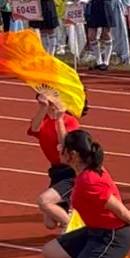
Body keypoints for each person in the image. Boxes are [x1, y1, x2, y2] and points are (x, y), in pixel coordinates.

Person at [39, 131, 130, 258]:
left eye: (62, 148)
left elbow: (116, 206)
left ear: (73, 155)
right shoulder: (83, 173)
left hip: (111, 237)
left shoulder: (89, 180)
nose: (59, 150)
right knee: (51, 252)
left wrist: (129, 217)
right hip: (95, 231)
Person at [28, 87, 79, 231]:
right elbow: (35, 128)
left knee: (45, 202)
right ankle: (71, 217)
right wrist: (43, 107)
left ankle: (74, 229)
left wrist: (60, 120)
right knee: (50, 224)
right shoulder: (42, 120)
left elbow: (65, 145)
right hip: (56, 172)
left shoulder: (70, 121)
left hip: (72, 171)